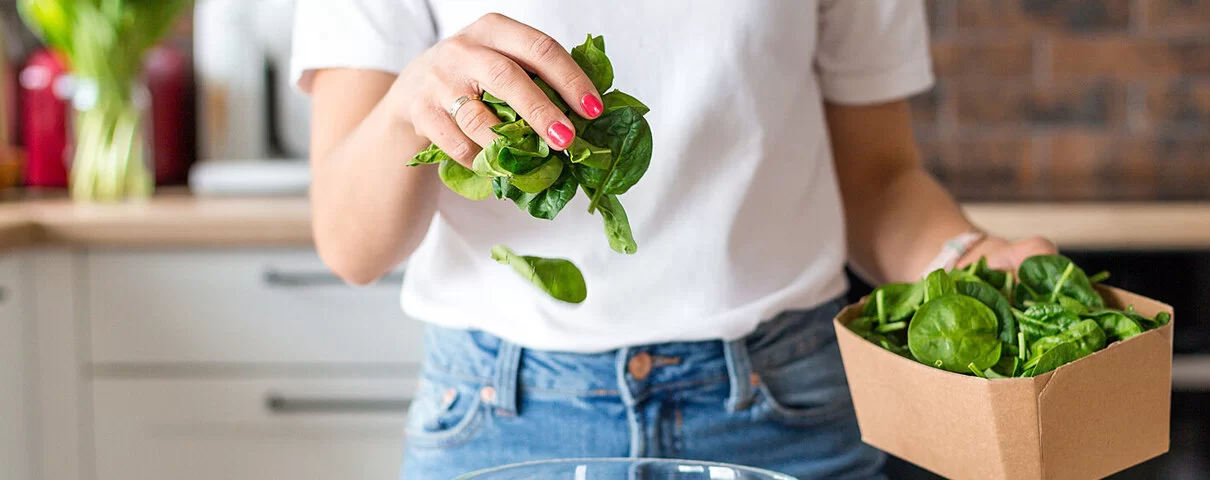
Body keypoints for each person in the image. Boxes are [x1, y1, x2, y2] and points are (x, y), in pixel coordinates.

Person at [291, 1, 1056, 478]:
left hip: (782, 408)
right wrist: (405, 108)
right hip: (503, 421)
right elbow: (351, 243)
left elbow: (880, 180)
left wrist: (965, 258)